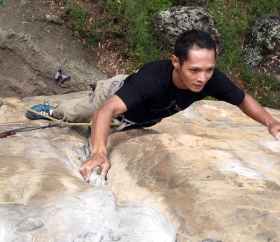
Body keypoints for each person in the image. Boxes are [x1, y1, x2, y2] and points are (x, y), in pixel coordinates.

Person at [26, 29, 280, 182]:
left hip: (141, 117)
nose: (202, 78)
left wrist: (271, 122)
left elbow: (242, 99)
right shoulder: (152, 79)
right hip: (111, 97)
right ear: (176, 62)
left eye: (209, 69)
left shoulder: (210, 80)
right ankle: (52, 109)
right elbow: (105, 110)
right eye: (194, 70)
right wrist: (100, 152)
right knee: (75, 115)